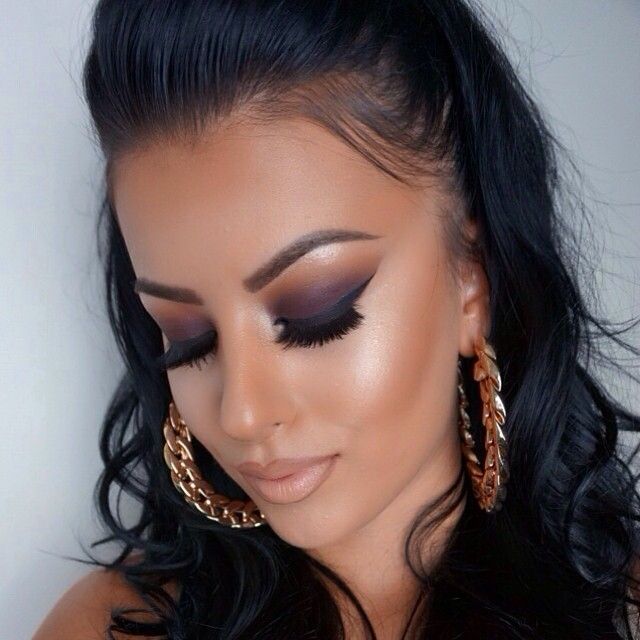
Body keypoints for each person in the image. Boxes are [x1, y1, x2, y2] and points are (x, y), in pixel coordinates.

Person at [33, 0, 640, 638]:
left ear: (473, 278)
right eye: (190, 338)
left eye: (314, 313)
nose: (242, 413)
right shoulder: (107, 629)